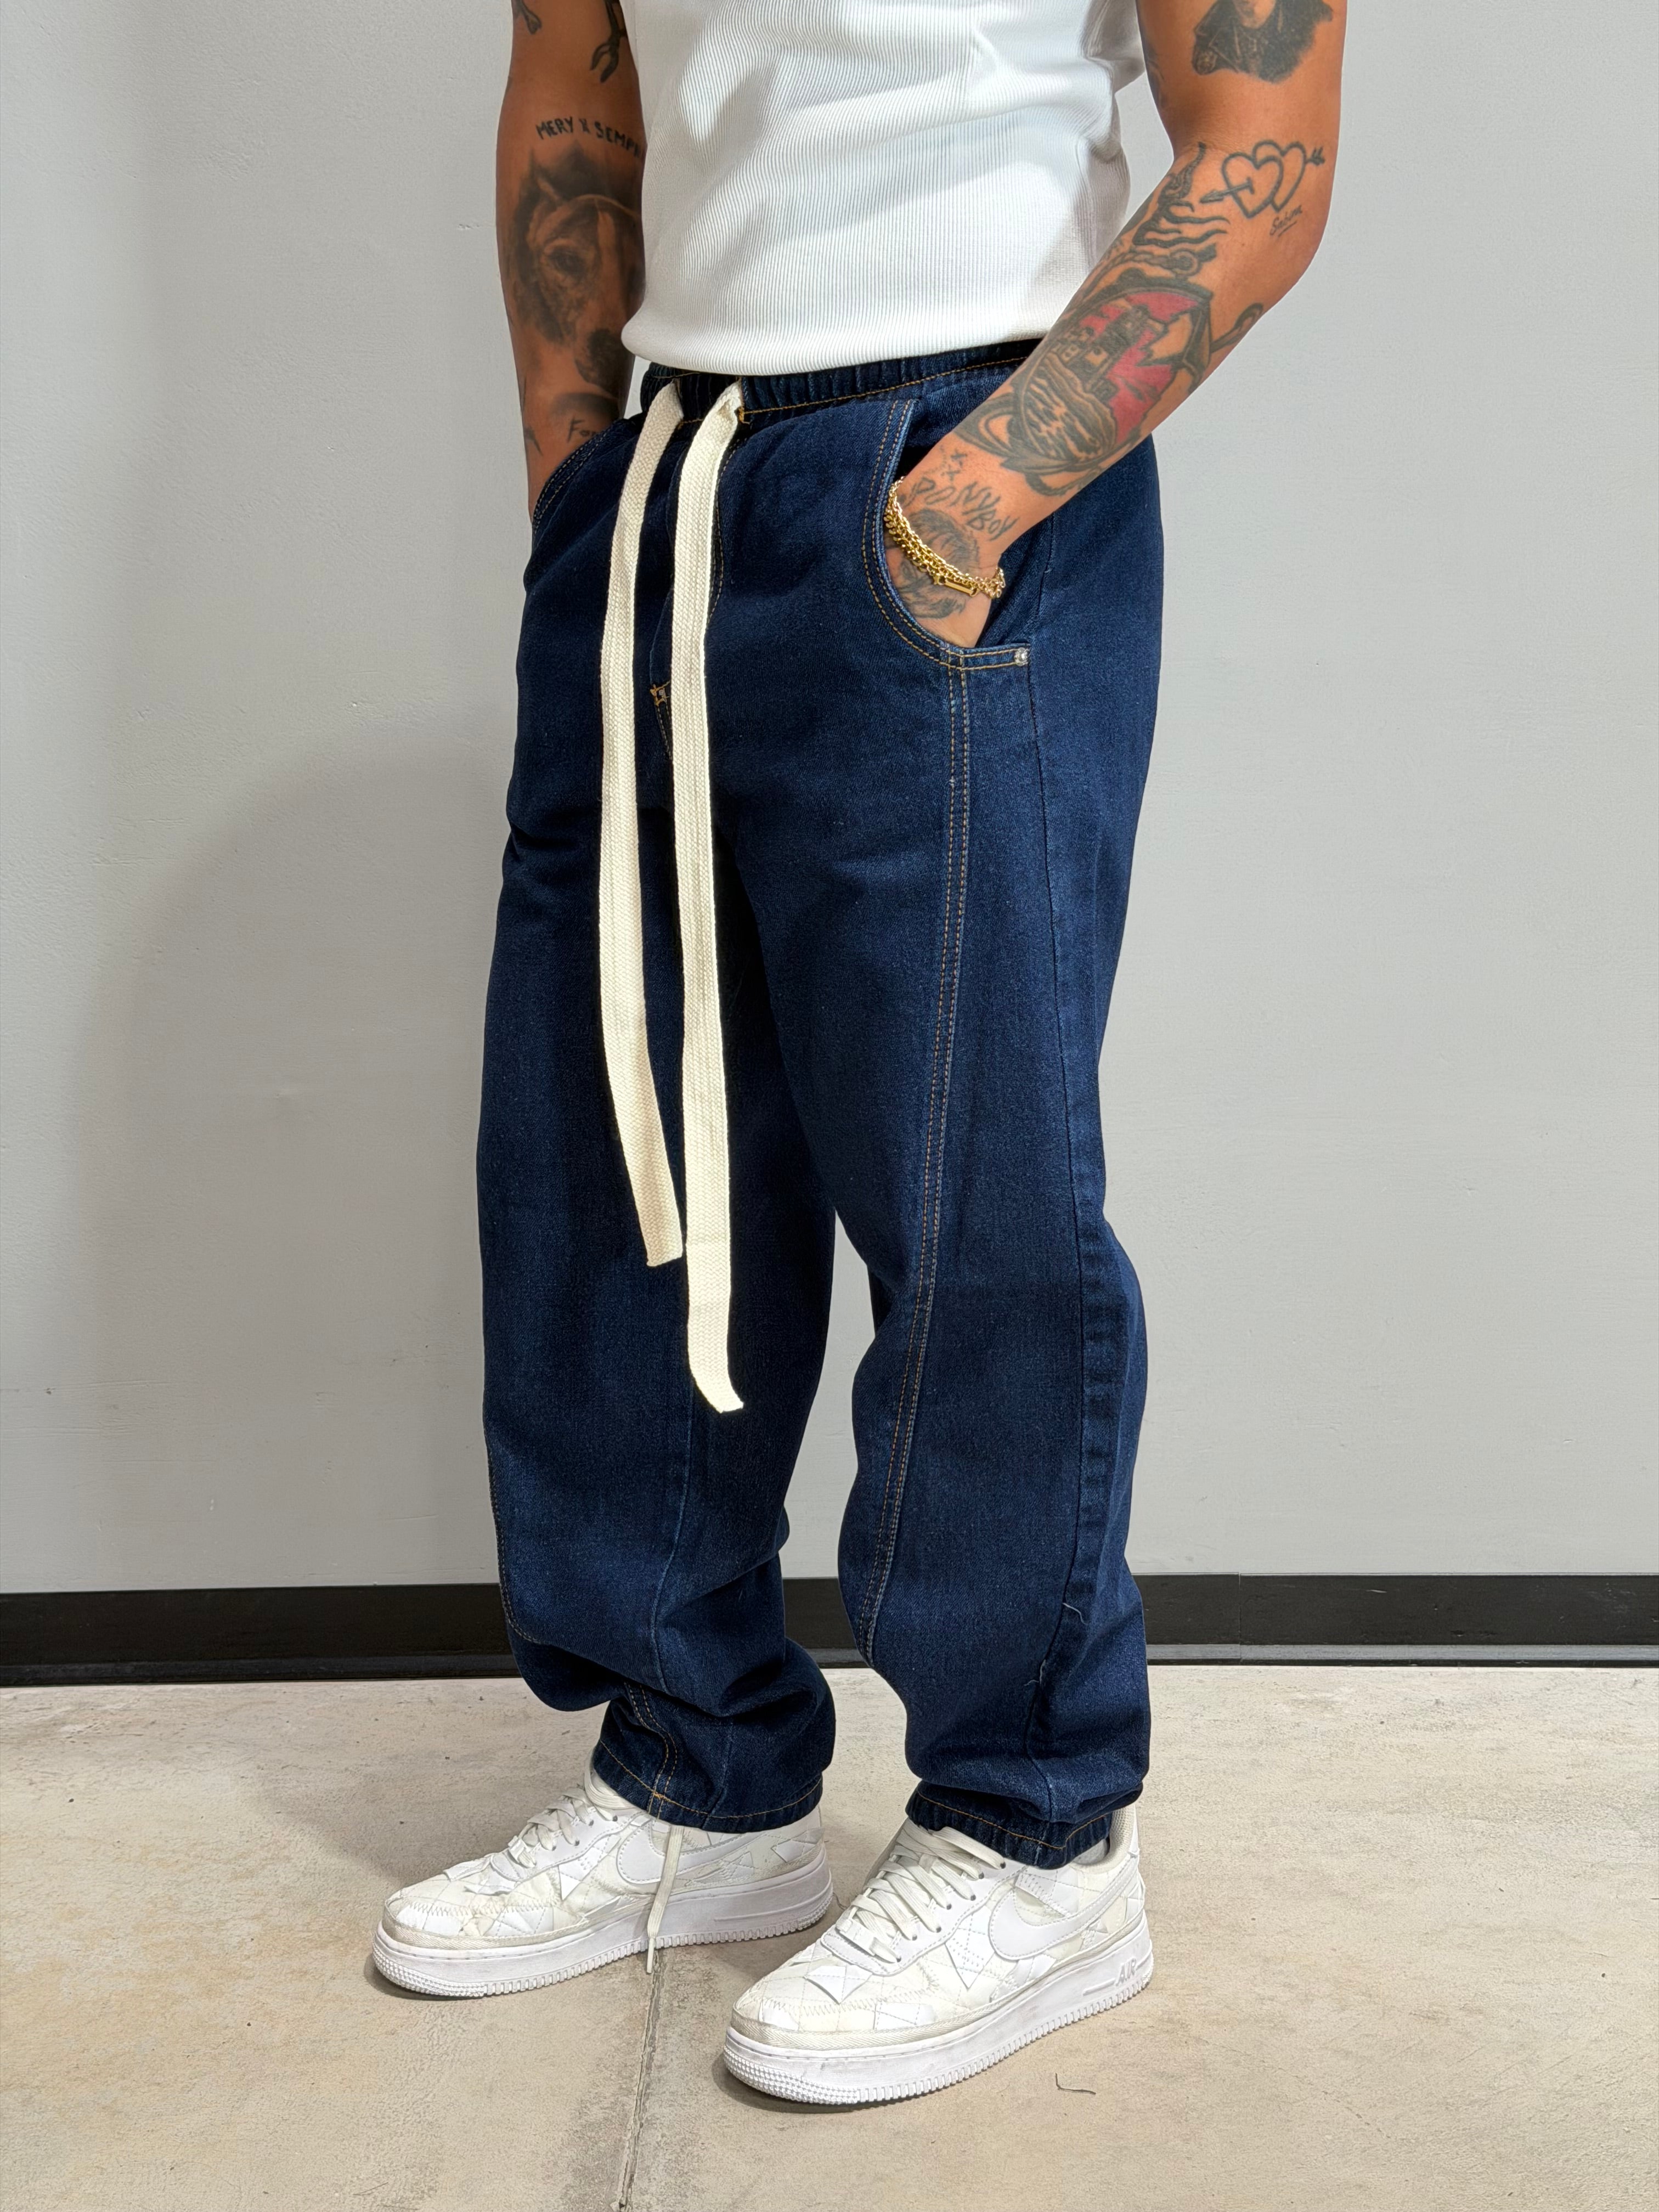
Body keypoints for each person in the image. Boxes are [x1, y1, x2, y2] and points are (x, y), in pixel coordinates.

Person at [373, 0, 1345, 2105]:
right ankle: (697, 1770)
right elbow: (573, 76)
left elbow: (1260, 155)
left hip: (962, 442)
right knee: (620, 1148)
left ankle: (1035, 1826)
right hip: (665, 480)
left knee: (969, 1177)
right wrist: (580, 475)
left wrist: (960, 507)